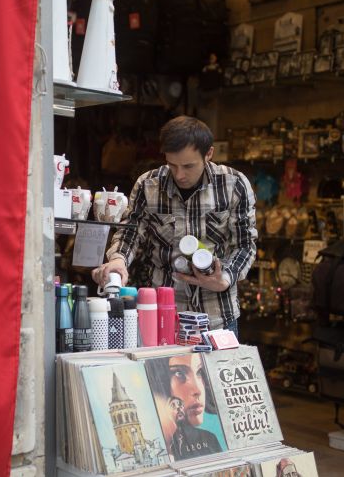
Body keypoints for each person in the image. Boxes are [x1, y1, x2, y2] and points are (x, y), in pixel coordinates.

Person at [92, 116, 257, 335]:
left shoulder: (234, 184)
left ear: (209, 153)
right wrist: (118, 260)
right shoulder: (148, 185)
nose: (179, 175)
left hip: (217, 315)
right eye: (172, 165)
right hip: (160, 315)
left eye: (188, 166)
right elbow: (130, 231)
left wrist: (225, 279)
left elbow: (245, 244)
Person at [145, 353, 223, 460]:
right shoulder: (153, 445)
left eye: (199, 372)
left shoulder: (209, 439)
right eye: (179, 373)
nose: (198, 390)